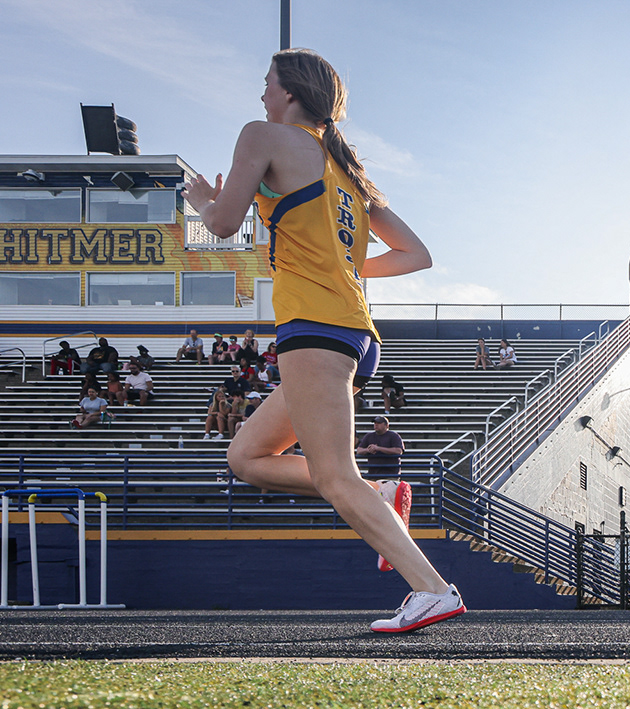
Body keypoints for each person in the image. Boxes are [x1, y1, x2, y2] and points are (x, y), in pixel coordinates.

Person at [187, 46, 458, 632]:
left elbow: (222, 225)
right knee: (246, 457)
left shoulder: (261, 135)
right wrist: (347, 266)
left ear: (288, 92)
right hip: (352, 332)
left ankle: (433, 589)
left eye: (266, 83)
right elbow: (417, 255)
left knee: (335, 478)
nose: (260, 94)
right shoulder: (349, 170)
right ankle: (380, 496)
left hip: (315, 330)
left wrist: (201, 199)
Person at [356, 414, 403, 480]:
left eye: (379, 423)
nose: (376, 425)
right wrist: (368, 450)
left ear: (386, 425)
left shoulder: (394, 436)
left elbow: (398, 451)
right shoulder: (369, 436)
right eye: (375, 423)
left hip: (390, 474)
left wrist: (378, 448)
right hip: (373, 474)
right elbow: (359, 450)